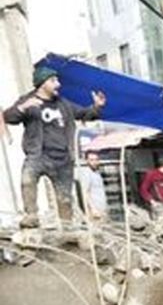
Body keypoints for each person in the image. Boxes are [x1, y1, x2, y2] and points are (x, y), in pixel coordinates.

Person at [4, 65, 106, 228]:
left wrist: (97, 107)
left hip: (62, 158)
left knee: (64, 199)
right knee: (27, 180)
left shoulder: (63, 103)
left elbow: (83, 113)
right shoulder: (28, 100)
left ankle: (66, 228)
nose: (58, 84)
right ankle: (31, 216)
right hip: (38, 154)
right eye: (53, 81)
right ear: (43, 84)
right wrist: (23, 107)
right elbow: (8, 117)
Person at [78, 150, 107, 222]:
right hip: (94, 210)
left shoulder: (97, 173)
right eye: (91, 160)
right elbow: (85, 192)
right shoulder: (87, 173)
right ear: (87, 161)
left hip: (101, 208)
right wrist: (92, 209)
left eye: (96, 160)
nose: (94, 162)